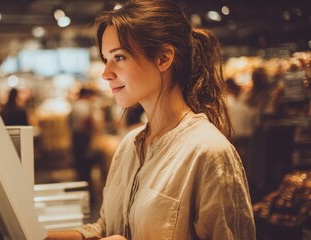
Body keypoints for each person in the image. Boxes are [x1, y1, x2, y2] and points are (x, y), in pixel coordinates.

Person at [46, 0, 255, 239]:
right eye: (106, 59)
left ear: (164, 58)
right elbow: (106, 228)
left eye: (120, 57)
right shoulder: (129, 146)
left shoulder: (208, 152)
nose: (106, 73)